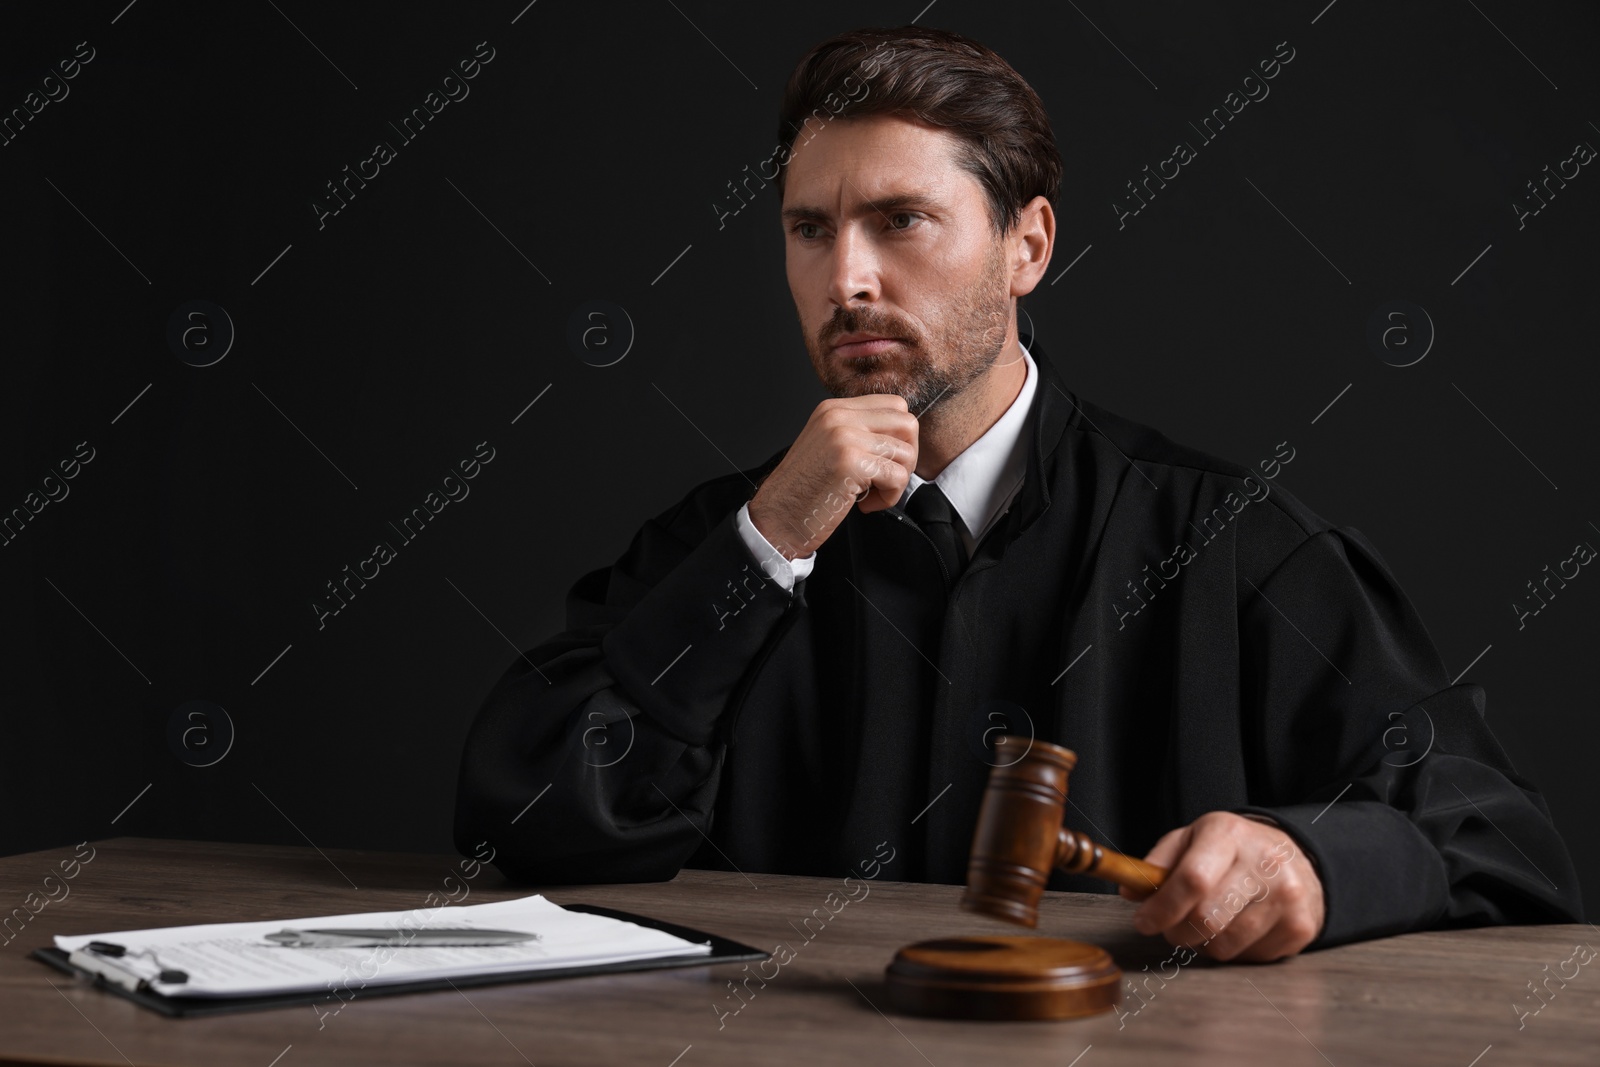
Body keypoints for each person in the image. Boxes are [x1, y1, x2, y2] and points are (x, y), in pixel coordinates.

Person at [453, 25, 1582, 962]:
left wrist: (1318, 865)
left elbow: (1503, 845)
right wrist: (767, 546)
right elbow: (524, 822)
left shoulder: (1238, 550)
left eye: (899, 220)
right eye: (809, 228)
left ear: (1025, 244)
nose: (845, 278)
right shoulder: (720, 542)